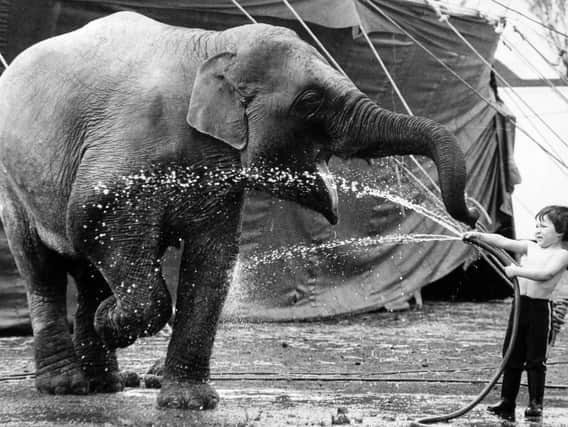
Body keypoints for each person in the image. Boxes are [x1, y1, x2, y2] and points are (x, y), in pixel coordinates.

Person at [463, 205, 568, 421]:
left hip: (539, 310)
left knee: (535, 360)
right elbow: (503, 242)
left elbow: (545, 274)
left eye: (543, 227)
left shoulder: (562, 255)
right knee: (511, 355)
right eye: (536, 226)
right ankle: (506, 401)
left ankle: (535, 404)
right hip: (519, 307)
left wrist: (517, 271)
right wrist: (478, 236)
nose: (537, 230)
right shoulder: (530, 246)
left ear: (561, 231)